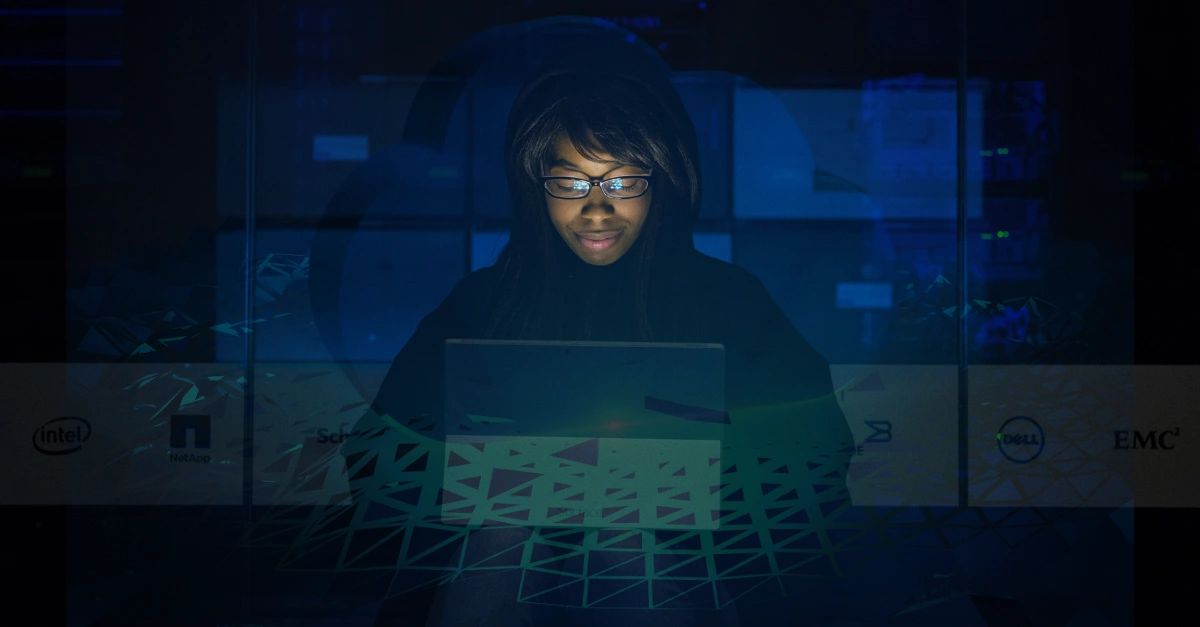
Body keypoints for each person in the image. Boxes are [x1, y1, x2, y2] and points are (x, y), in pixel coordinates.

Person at [342, 57, 855, 627]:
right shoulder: (483, 303)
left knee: (619, 538)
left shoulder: (730, 301)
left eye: (622, 181)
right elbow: (381, 451)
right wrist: (490, 488)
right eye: (569, 183)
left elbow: (813, 452)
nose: (596, 209)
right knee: (504, 540)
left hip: (681, 561)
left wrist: (689, 490)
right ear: (536, 187)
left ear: (662, 182)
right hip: (501, 552)